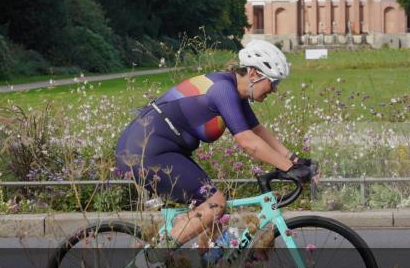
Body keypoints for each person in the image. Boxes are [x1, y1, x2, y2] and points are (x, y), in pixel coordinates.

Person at [114, 40, 314, 250]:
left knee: (215, 216)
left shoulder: (234, 90)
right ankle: (153, 258)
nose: (274, 90)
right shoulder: (222, 90)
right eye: (273, 82)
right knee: (215, 203)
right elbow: (248, 142)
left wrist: (295, 160)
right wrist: (290, 169)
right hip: (145, 152)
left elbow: (258, 131)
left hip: (161, 150)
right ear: (254, 74)